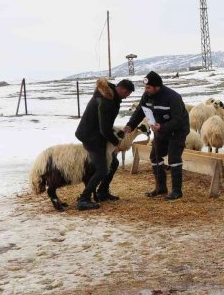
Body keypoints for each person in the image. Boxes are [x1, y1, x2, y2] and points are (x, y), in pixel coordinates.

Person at [125, 71, 190, 200]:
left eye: (148, 87)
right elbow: (139, 112)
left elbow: (178, 120)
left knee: (174, 157)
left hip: (178, 130)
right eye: (145, 87)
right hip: (160, 129)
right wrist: (130, 126)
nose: (146, 90)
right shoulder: (147, 96)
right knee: (155, 156)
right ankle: (161, 187)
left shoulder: (173, 97)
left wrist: (163, 127)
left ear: (157, 87)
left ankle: (177, 191)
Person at [75, 78, 135, 210]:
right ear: (123, 89)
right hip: (91, 136)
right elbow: (104, 128)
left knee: (113, 163)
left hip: (98, 135)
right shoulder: (106, 100)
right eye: (127, 94)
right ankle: (84, 199)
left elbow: (105, 126)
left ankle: (102, 192)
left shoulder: (111, 97)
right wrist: (115, 143)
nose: (126, 97)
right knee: (102, 169)